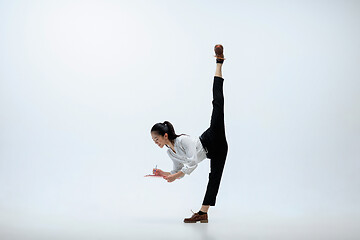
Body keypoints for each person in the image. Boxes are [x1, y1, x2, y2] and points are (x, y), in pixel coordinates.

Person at [150, 44, 228, 223]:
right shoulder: (170, 151)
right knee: (214, 179)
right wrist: (164, 173)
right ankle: (203, 213)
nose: (156, 143)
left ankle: (219, 63)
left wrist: (176, 175)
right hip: (218, 151)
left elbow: (192, 163)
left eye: (156, 139)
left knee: (218, 103)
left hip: (213, 137)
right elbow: (178, 171)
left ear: (165, 136)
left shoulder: (184, 141)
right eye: (153, 141)